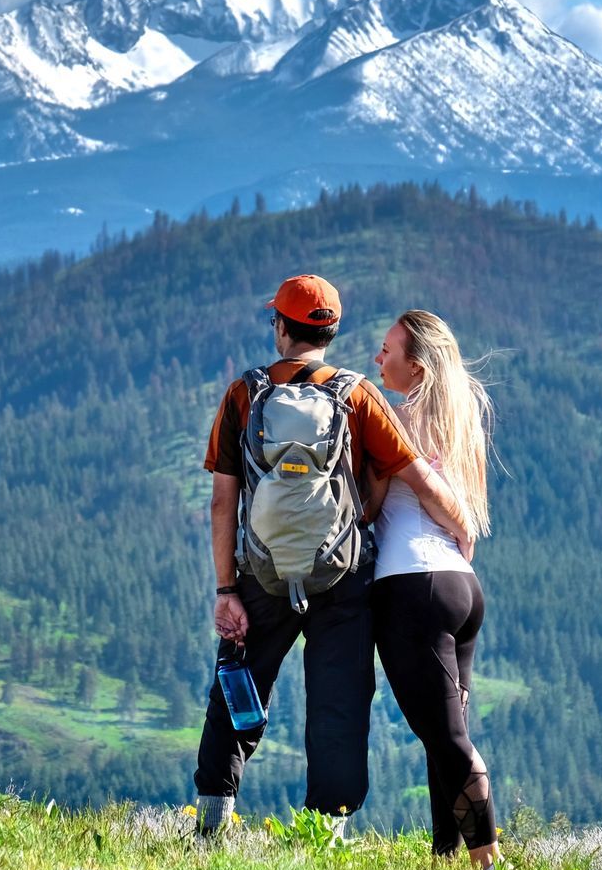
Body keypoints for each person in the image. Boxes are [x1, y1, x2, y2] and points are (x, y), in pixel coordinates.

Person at [192, 275, 474, 836]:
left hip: (263, 575)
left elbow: (223, 502)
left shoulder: (243, 395)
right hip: (341, 579)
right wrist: (462, 530)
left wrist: (228, 591)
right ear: (330, 330)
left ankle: (210, 827)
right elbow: (420, 480)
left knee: (237, 687)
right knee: (339, 703)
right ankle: (326, 837)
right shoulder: (358, 396)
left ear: (281, 328)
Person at [369, 309, 502, 867]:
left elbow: (373, 506)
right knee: (444, 733)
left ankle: (489, 868)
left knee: (448, 740)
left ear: (416, 367)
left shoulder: (393, 422)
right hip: (461, 587)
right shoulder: (458, 423)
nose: (378, 358)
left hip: (410, 587)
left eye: (387, 351)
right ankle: (446, 859)